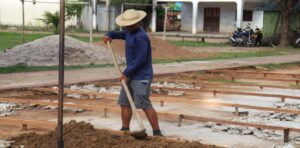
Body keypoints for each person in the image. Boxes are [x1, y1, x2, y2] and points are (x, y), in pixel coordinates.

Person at [103, 9, 163, 136]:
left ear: (137, 23)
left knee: (144, 104)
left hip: (141, 76)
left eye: (130, 24)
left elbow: (141, 59)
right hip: (130, 75)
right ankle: (125, 129)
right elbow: (117, 34)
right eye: (127, 24)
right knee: (124, 103)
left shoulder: (141, 37)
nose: (128, 26)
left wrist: (126, 72)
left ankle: (157, 132)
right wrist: (109, 34)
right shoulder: (129, 32)